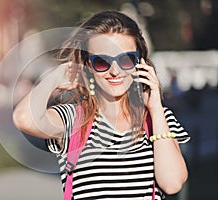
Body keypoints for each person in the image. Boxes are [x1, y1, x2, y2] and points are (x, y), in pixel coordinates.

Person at [13, 10, 190, 200]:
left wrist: (155, 108)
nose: (115, 71)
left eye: (126, 59)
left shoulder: (158, 119)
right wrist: (55, 76)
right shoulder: (73, 120)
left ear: (139, 62)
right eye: (101, 61)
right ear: (87, 65)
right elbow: (23, 118)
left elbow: (172, 184)